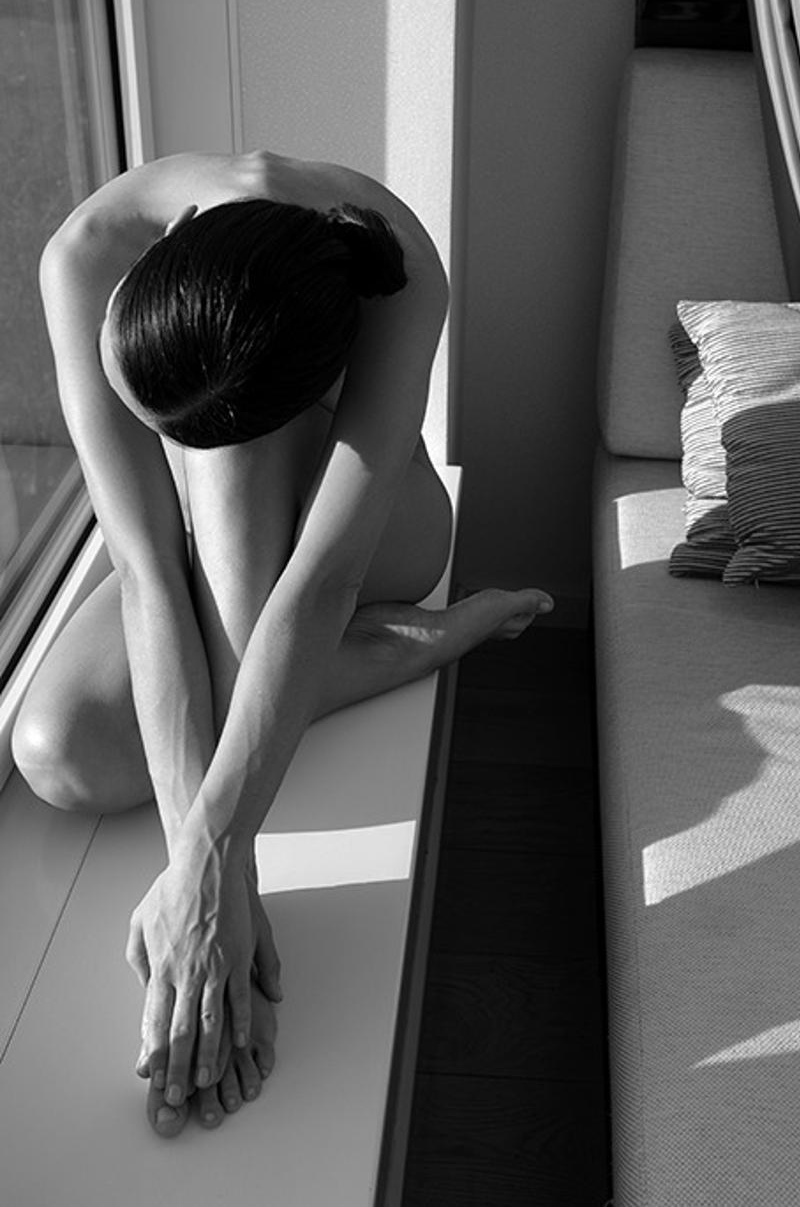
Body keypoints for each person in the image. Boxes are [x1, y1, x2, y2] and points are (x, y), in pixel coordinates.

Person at [10, 150, 552, 1138]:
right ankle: (407, 651)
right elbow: (146, 565)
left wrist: (219, 864)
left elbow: (320, 582)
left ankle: (391, 631)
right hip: (208, 554)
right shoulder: (81, 260)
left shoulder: (398, 265)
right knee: (60, 750)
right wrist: (202, 878)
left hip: (371, 544)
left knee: (233, 473)